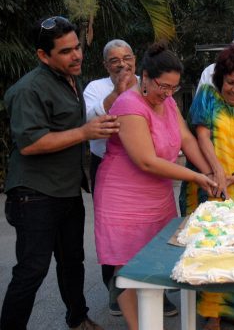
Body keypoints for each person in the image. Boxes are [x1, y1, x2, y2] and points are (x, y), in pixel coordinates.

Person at [1, 16, 119, 330]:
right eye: (66, 51)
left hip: (66, 189)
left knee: (72, 262)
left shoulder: (70, 79)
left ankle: (78, 319)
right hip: (33, 194)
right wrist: (85, 132)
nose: (77, 55)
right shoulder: (28, 90)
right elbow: (31, 143)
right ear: (43, 55)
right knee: (32, 269)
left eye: (77, 47)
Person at [93, 42, 217, 330]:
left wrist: (209, 170)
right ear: (145, 77)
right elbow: (146, 161)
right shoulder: (128, 104)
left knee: (156, 256)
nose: (168, 93)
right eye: (163, 86)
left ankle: (151, 313)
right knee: (128, 266)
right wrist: (197, 177)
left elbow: (186, 139)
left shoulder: (167, 101)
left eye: (174, 87)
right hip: (122, 196)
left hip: (156, 194)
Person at [83, 39, 178, 317]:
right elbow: (94, 119)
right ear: (105, 65)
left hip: (154, 171)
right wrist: (118, 92)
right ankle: (118, 292)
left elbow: (177, 131)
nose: (122, 64)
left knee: (153, 242)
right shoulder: (98, 89)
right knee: (119, 243)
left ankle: (153, 296)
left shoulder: (154, 83)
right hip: (111, 165)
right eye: (114, 60)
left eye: (127, 58)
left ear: (136, 60)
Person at [180, 44, 234, 330]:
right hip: (208, 188)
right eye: (230, 82)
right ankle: (213, 313)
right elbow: (202, 136)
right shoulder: (208, 96)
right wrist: (219, 173)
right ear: (221, 79)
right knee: (210, 250)